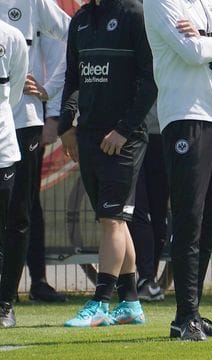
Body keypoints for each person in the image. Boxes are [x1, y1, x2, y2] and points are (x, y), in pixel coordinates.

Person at [143, 0, 212, 341]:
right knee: (189, 219)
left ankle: (195, 312)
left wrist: (208, 37)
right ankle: (183, 317)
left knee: (208, 224)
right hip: (185, 117)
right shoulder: (160, 2)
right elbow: (191, 53)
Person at [57, 0, 157, 327]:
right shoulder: (82, 20)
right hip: (88, 135)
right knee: (112, 219)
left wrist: (123, 130)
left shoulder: (133, 14)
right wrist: (66, 126)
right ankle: (130, 303)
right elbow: (73, 78)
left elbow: (150, 81)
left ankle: (100, 302)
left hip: (124, 139)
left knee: (111, 220)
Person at [0, 0, 70, 327]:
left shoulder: (32, 2)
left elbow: (75, 35)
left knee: (19, 213)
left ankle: (4, 303)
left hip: (21, 122)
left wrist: (50, 91)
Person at [26, 34, 68, 303]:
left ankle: (38, 281)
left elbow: (62, 44)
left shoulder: (35, 4)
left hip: (26, 115)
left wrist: (52, 114)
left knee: (27, 199)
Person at [0, 19, 29, 328]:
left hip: (3, 152)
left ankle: (5, 304)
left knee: (8, 230)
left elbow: (15, 93)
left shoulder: (11, 37)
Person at [128, 102, 169, 302]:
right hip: (131, 133)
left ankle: (148, 279)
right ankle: (144, 278)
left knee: (158, 213)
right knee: (137, 208)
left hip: (162, 133)